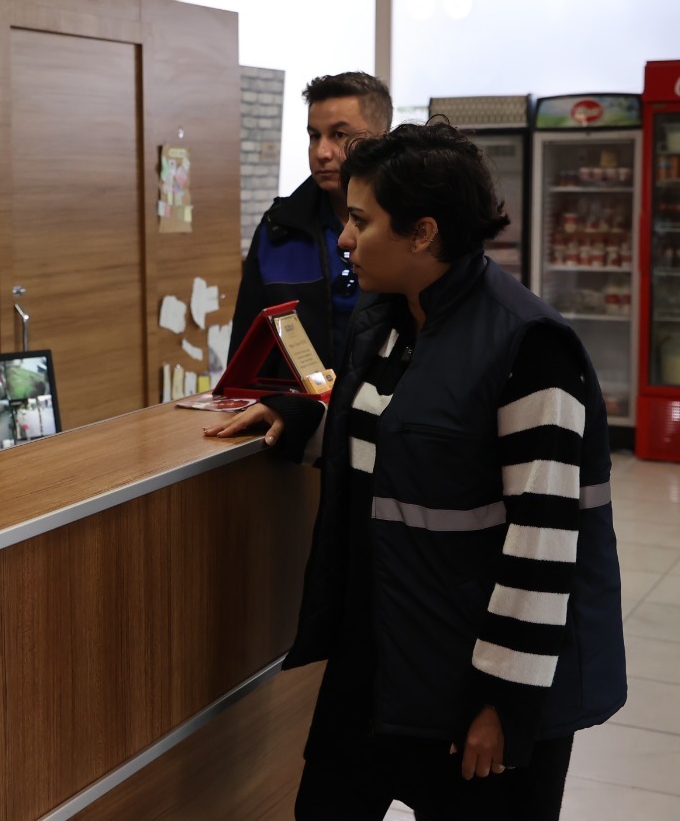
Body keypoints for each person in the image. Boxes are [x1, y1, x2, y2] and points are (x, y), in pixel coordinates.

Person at [207, 122, 626, 820]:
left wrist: (504, 700)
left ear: (423, 233)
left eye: (361, 221)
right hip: (380, 651)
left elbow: (544, 542)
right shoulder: (387, 320)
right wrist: (300, 416)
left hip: (477, 676)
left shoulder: (530, 345)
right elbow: (389, 444)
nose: (344, 240)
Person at [229, 71, 393, 368]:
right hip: (296, 398)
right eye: (314, 136)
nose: (322, 152)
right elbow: (245, 358)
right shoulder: (278, 229)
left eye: (339, 135)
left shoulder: (409, 231)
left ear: (382, 139)